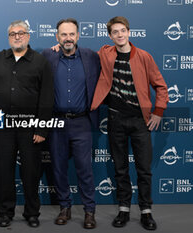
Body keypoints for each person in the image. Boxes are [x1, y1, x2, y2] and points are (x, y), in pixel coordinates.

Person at [91, 16, 168, 231]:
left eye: (122, 30)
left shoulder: (144, 56)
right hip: (115, 119)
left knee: (144, 169)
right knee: (120, 168)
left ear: (129, 32)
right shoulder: (105, 53)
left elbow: (161, 86)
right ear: (110, 35)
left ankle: (146, 211)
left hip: (140, 121)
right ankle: (123, 208)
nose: (119, 35)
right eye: (115, 32)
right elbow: (83, 56)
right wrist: (57, 48)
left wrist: (158, 112)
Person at [0, 20, 54, 228]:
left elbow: (46, 97)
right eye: (13, 34)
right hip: (1, 123)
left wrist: (42, 128)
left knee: (31, 172)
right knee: (4, 171)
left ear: (28, 36)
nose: (17, 36)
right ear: (8, 37)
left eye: (21, 33)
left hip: (30, 126)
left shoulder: (40, 62)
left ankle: (32, 212)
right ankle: (5, 212)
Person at [42, 18, 100, 229]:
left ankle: (89, 211)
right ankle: (64, 207)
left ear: (78, 36)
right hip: (56, 122)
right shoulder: (48, 55)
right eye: (63, 34)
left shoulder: (92, 57)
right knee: (58, 168)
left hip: (82, 122)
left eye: (71, 34)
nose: (67, 38)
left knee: (85, 169)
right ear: (57, 37)